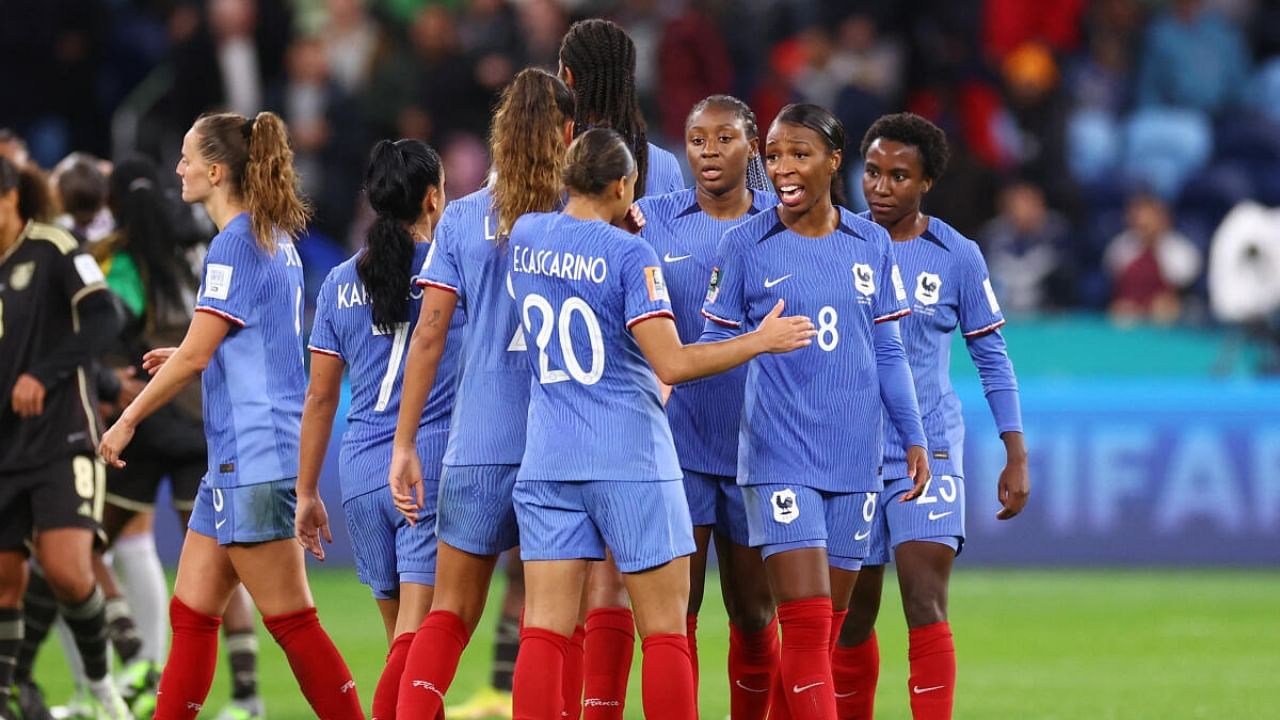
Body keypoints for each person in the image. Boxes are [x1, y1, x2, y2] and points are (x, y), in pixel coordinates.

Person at [507, 126, 814, 720]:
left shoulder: (526, 234)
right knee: (666, 630)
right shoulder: (630, 255)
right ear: (624, 186)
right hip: (630, 460)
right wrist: (760, 340)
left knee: (543, 628)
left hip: (547, 458)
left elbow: (572, 257)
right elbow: (672, 362)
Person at [96, 111, 363, 720]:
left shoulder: (234, 243)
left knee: (293, 622)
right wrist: (198, 353)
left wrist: (128, 418)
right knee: (191, 613)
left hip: (256, 457)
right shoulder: (272, 237)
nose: (179, 168)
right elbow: (237, 344)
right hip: (237, 459)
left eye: (188, 158)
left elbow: (196, 355)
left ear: (217, 172)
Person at [701, 103, 931, 719]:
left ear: (835, 161)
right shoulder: (745, 244)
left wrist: (913, 436)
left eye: (798, 154)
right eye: (773, 155)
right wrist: (755, 342)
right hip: (779, 457)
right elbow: (705, 348)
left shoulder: (872, 244)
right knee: (802, 631)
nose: (782, 168)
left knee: (820, 638)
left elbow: (888, 350)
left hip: (855, 460)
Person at [389, 67, 575, 719]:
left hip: (478, 445)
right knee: (552, 624)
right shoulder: (584, 221)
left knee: (448, 615)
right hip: (562, 450)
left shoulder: (464, 220)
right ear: (569, 134)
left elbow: (429, 338)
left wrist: (405, 442)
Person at [832, 112, 1030, 720]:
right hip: (851, 455)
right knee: (852, 617)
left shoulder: (957, 256)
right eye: (874, 172)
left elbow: (991, 355)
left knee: (923, 598)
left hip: (930, 451)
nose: (882, 186)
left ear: (925, 184)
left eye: (899, 175)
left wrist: (1015, 450)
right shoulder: (836, 244)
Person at [297, 138, 457, 720]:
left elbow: (319, 397)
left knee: (402, 651)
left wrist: (308, 492)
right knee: (417, 651)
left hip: (359, 473)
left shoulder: (339, 281)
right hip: (424, 465)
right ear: (434, 198)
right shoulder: (449, 272)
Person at [634, 94, 779, 719]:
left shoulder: (786, 221)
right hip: (678, 443)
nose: (710, 152)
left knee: (752, 612)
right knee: (678, 610)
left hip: (759, 447)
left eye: (724, 139)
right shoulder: (650, 218)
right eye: (697, 140)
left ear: (752, 146)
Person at [555, 20, 682, 715]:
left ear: (568, 80)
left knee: (560, 590)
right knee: (644, 584)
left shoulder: (556, 166)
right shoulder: (664, 165)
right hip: (646, 389)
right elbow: (678, 276)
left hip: (559, 394)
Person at [0, 155, 130, 720]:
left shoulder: (52, 247)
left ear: (10, 199)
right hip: (4, 450)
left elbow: (105, 318)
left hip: (62, 438)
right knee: (3, 583)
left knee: (68, 573)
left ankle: (102, 686)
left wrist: (43, 375)